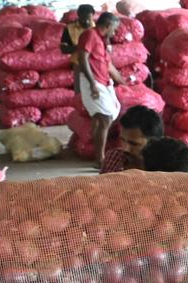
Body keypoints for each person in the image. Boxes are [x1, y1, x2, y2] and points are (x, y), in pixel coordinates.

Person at [77, 12, 126, 167]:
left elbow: (108, 66)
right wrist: (92, 83)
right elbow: (82, 58)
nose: (115, 32)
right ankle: (100, 159)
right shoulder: (90, 34)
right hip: (93, 82)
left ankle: (98, 157)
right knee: (105, 119)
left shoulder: (102, 40)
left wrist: (123, 82)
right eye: (114, 28)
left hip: (103, 82)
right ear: (108, 25)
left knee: (101, 118)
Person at [101, 105, 164, 173]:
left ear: (153, 143)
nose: (125, 148)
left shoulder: (163, 169)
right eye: (123, 140)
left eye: (134, 144)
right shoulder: (113, 157)